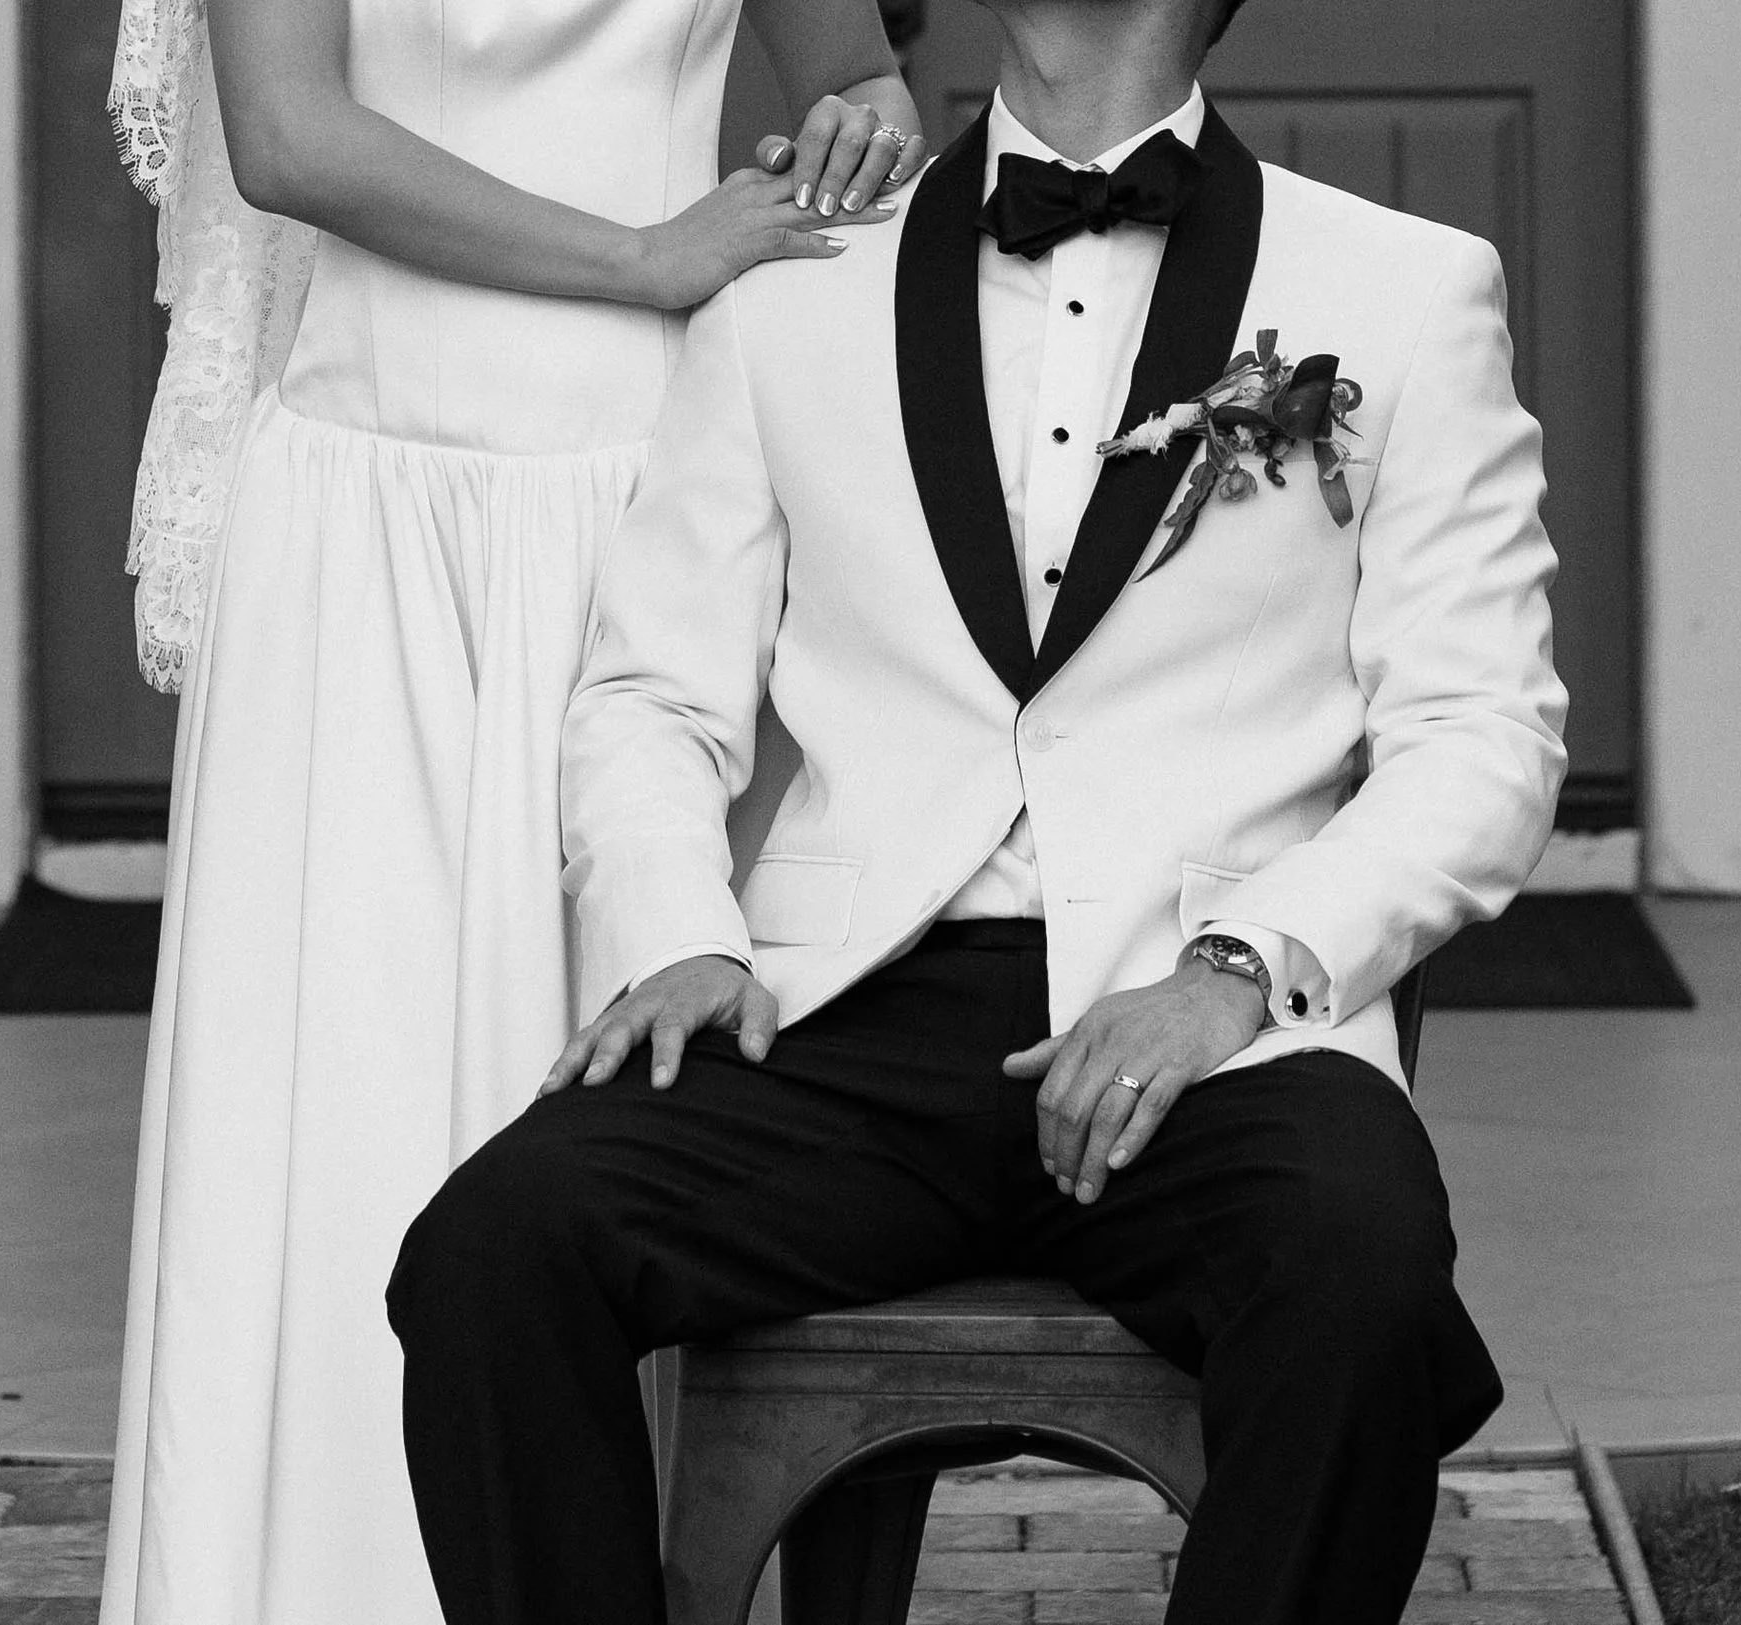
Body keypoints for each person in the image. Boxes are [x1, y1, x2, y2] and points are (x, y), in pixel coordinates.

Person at [387, 0, 1570, 1616]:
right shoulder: (794, 292)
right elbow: (653, 695)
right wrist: (676, 933)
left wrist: (1234, 977)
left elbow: (1485, 739)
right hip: (846, 1022)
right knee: (493, 1251)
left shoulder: (1407, 291)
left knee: (1360, 1272)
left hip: (1207, 1018)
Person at [98, 0, 925, 1620]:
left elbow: (860, 75)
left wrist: (855, 145)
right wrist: (646, 255)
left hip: (656, 503)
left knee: (650, 1085)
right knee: (344, 1090)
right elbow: (287, 140)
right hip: (373, 509)